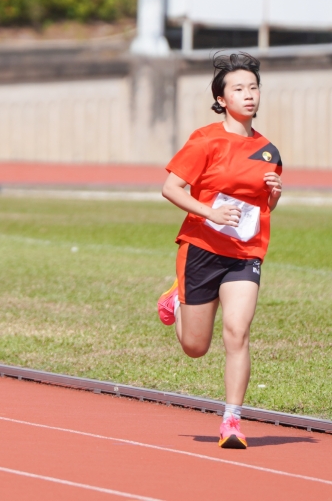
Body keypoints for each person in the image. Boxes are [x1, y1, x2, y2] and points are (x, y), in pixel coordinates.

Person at [157, 52, 282, 449]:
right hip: (202, 247)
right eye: (239, 89)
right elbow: (171, 189)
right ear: (221, 99)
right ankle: (176, 300)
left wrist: (274, 195)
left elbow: (262, 206)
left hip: (246, 252)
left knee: (237, 331)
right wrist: (210, 212)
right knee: (196, 347)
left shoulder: (269, 151)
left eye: (253, 87)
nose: (249, 94)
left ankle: (232, 421)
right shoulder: (206, 140)